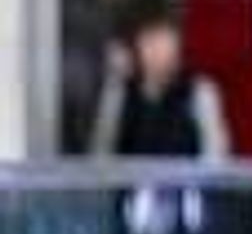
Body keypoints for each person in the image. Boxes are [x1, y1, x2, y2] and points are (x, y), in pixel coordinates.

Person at [90, 14, 231, 160]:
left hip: (185, 180)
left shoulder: (200, 90)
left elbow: (216, 154)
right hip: (132, 180)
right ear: (138, 46)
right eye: (150, 42)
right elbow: (101, 152)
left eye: (164, 42)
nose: (157, 52)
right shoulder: (120, 93)